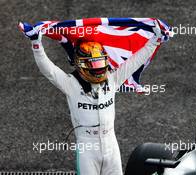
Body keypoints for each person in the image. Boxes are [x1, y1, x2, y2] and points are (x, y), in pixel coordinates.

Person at [21, 21, 162, 175]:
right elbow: (48, 70)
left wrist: (156, 40)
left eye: (100, 62)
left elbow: (136, 60)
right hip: (87, 149)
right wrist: (36, 43)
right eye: (93, 65)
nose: (98, 68)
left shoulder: (113, 78)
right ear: (82, 65)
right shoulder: (71, 84)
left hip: (111, 145)